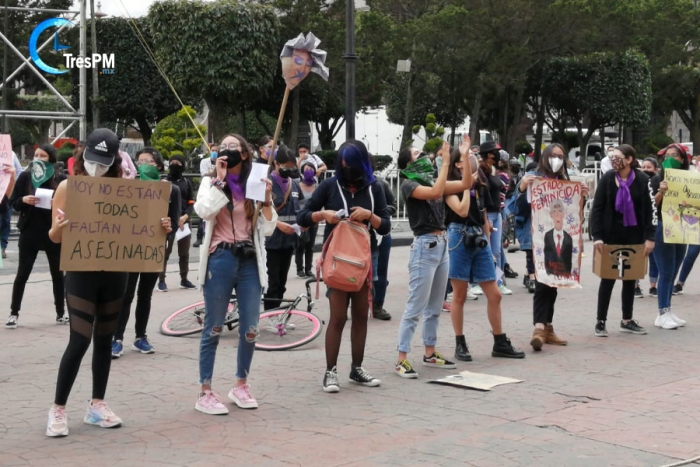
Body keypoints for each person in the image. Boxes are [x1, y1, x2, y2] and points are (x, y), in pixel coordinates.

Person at [46, 128, 172, 437]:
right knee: (79, 339)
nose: (96, 166)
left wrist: (162, 227)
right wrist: (60, 227)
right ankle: (58, 408)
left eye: (103, 162)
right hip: (81, 271)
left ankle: (97, 404)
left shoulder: (127, 190)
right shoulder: (68, 187)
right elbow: (54, 236)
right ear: (83, 153)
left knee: (104, 338)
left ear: (115, 160)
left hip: (116, 270)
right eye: (93, 159)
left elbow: (146, 229)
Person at [297, 140, 391, 392]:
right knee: (338, 316)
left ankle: (356, 368)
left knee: (361, 315)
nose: (347, 170)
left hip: (363, 261)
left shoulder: (374, 188)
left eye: (352, 165)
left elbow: (386, 225)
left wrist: (370, 216)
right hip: (337, 261)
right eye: (343, 165)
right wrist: (323, 215)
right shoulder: (329, 185)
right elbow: (303, 216)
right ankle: (330, 372)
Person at [193, 133, 277, 414]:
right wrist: (219, 181)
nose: (226, 151)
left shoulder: (255, 181)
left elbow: (267, 228)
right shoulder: (209, 181)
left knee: (251, 328)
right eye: (223, 147)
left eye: (233, 147)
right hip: (220, 259)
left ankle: (241, 384)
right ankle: (205, 390)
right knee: (214, 326)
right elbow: (204, 212)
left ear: (244, 154)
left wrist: (266, 201)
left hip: (249, 261)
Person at [394, 140, 471, 379]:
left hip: (442, 245)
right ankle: (401, 359)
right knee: (415, 306)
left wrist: (465, 157)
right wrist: (446, 161)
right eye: (418, 154)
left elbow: (466, 183)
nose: (425, 156)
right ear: (409, 163)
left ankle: (430, 352)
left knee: (435, 306)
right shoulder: (409, 184)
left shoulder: (431, 181)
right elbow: (437, 192)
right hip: (424, 248)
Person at [445, 144, 525, 362]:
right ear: (458, 163)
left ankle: (500, 341)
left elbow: (485, 218)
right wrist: (465, 185)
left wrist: (490, 249)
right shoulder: (449, 186)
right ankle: (459, 342)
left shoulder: (480, 183)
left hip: (478, 236)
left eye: (472, 154)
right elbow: (461, 210)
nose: (473, 157)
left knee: (495, 294)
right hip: (458, 237)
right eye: (468, 155)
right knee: (459, 295)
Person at [518, 144, 588, 351]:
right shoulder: (533, 178)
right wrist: (522, 188)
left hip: (561, 240)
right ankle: (539, 328)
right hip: (538, 239)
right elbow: (517, 209)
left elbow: (574, 212)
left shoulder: (566, 182)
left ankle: (547, 327)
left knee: (554, 282)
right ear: (545, 157)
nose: (556, 160)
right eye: (553, 156)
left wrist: (582, 195)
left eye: (560, 156)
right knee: (541, 282)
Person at [112, 148, 181, 357]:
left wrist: (168, 227)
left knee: (145, 295)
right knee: (126, 294)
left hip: (153, 249)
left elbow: (175, 223)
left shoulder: (171, 190)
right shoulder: (128, 188)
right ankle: (117, 338)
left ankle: (140, 337)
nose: (143, 165)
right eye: (139, 161)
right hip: (130, 249)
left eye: (148, 161)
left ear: (159, 166)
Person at [590, 145, 656, 337]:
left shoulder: (643, 180)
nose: (613, 160)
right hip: (611, 236)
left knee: (630, 279)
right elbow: (597, 209)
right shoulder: (608, 179)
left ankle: (627, 319)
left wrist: (650, 238)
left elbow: (651, 211)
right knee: (608, 279)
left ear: (629, 159)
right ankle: (600, 321)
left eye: (618, 157)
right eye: (612, 157)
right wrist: (597, 236)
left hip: (634, 236)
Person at [6, 144, 67, 329]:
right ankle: (14, 313)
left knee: (58, 275)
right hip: (29, 232)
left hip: (52, 233)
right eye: (37, 155)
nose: (39, 159)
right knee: (22, 274)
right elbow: (13, 203)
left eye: (44, 156)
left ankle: (61, 313)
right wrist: (24, 200)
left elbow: (70, 204)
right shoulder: (26, 176)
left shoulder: (61, 179)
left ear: (52, 159)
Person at [650, 144, 691, 329]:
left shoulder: (689, 180)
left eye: (674, 155)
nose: (670, 158)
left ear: (682, 159)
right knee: (665, 270)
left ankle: (667, 309)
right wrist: (661, 191)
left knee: (674, 269)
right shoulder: (656, 179)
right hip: (662, 226)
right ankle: (662, 311)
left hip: (681, 227)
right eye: (667, 155)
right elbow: (651, 205)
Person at [472, 142, 512, 296]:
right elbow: (482, 194)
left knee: (497, 250)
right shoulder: (482, 169)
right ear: (488, 154)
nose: (497, 154)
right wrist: (485, 218)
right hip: (488, 214)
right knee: (485, 249)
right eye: (495, 151)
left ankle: (498, 281)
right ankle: (477, 282)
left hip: (497, 213)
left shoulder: (494, 169)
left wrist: (500, 214)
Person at [264, 147, 302, 310]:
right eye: (285, 166)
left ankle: (277, 314)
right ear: (275, 164)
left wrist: (303, 224)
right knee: (272, 283)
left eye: (292, 166)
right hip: (271, 242)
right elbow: (259, 212)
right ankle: (270, 314)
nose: (289, 169)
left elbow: (300, 209)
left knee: (282, 282)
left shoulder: (294, 185)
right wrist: (278, 224)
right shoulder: (266, 184)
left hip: (289, 241)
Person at [157, 154, 196, 291]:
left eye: (178, 163)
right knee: (165, 253)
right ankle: (161, 280)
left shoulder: (186, 182)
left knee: (184, 253)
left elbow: (191, 202)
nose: (175, 165)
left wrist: (186, 216)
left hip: (184, 222)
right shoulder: (164, 182)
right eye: (172, 162)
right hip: (168, 222)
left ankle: (184, 279)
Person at [372, 174, 396, 321]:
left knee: (381, 270)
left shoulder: (381, 183)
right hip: (358, 233)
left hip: (382, 231)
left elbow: (393, 205)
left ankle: (378, 305)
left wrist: (377, 213)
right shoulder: (347, 184)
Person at [638, 157, 660, 297]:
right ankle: (635, 284)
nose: (645, 170)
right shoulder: (638, 182)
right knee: (639, 255)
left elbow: (655, 204)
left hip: (654, 222)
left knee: (654, 257)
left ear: (655, 170)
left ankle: (653, 285)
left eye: (649, 167)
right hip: (639, 222)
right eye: (643, 167)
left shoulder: (658, 182)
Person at [295, 160, 318, 278]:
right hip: (301, 219)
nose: (308, 171)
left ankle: (309, 269)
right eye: (306, 168)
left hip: (313, 219)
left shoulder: (317, 186)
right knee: (300, 245)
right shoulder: (297, 185)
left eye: (311, 168)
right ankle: (300, 269)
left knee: (310, 246)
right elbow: (296, 202)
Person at [195, 144, 218, 248]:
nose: (214, 152)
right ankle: (199, 237)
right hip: (207, 188)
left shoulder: (220, 162)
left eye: (216, 151)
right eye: (213, 150)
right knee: (203, 214)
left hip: (217, 189)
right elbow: (205, 174)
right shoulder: (204, 162)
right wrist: (213, 173)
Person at [0, 151, 22, 259]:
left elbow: (19, 171)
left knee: (5, 221)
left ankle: (2, 247)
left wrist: (12, 183)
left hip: (6, 193)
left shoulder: (11, 154)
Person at [543, 199, 573, 276]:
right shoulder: (547, 236)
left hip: (565, 275)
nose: (557, 214)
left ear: (563, 213)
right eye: (554, 211)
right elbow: (546, 258)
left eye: (560, 211)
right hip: (550, 274)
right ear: (551, 215)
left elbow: (569, 261)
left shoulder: (569, 238)